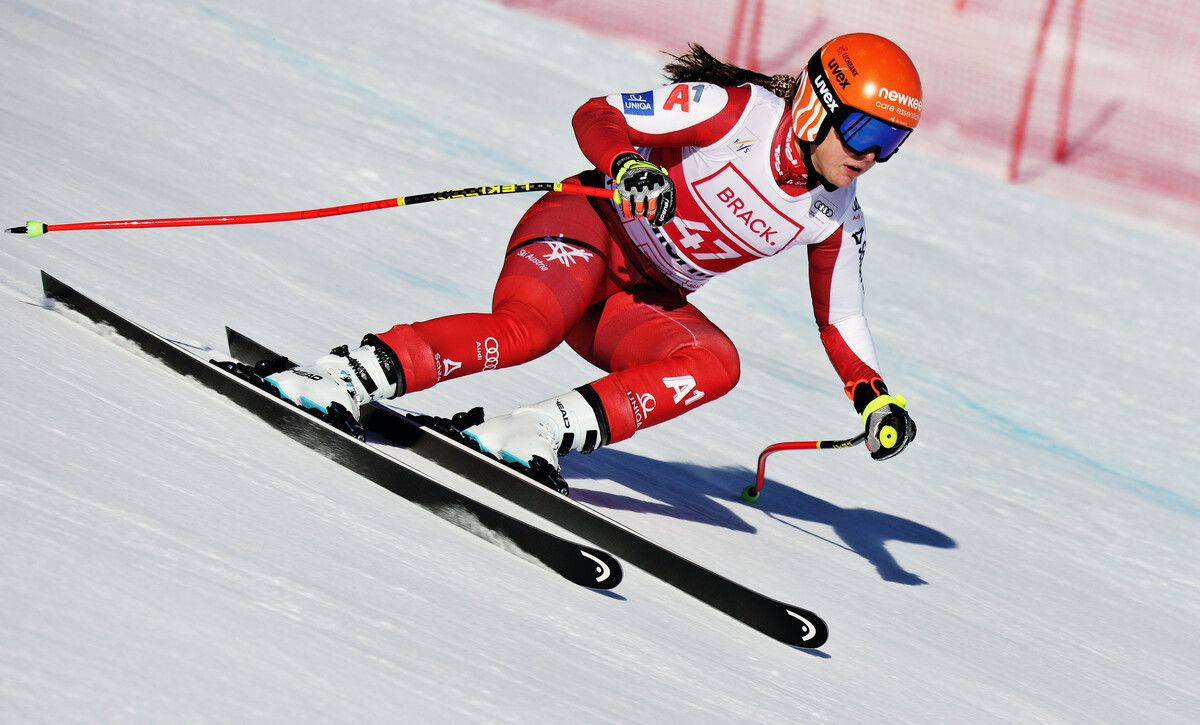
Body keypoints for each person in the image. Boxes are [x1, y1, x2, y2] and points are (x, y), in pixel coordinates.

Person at [262, 32, 920, 484]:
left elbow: (842, 320)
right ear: (815, 105)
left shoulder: (835, 214)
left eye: (891, 142)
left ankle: (530, 431)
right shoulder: (735, 113)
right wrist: (628, 163)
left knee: (717, 364)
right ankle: (340, 376)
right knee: (526, 330)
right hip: (584, 230)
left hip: (635, 300)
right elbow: (599, 115)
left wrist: (873, 400)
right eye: (864, 130)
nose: (871, 154)